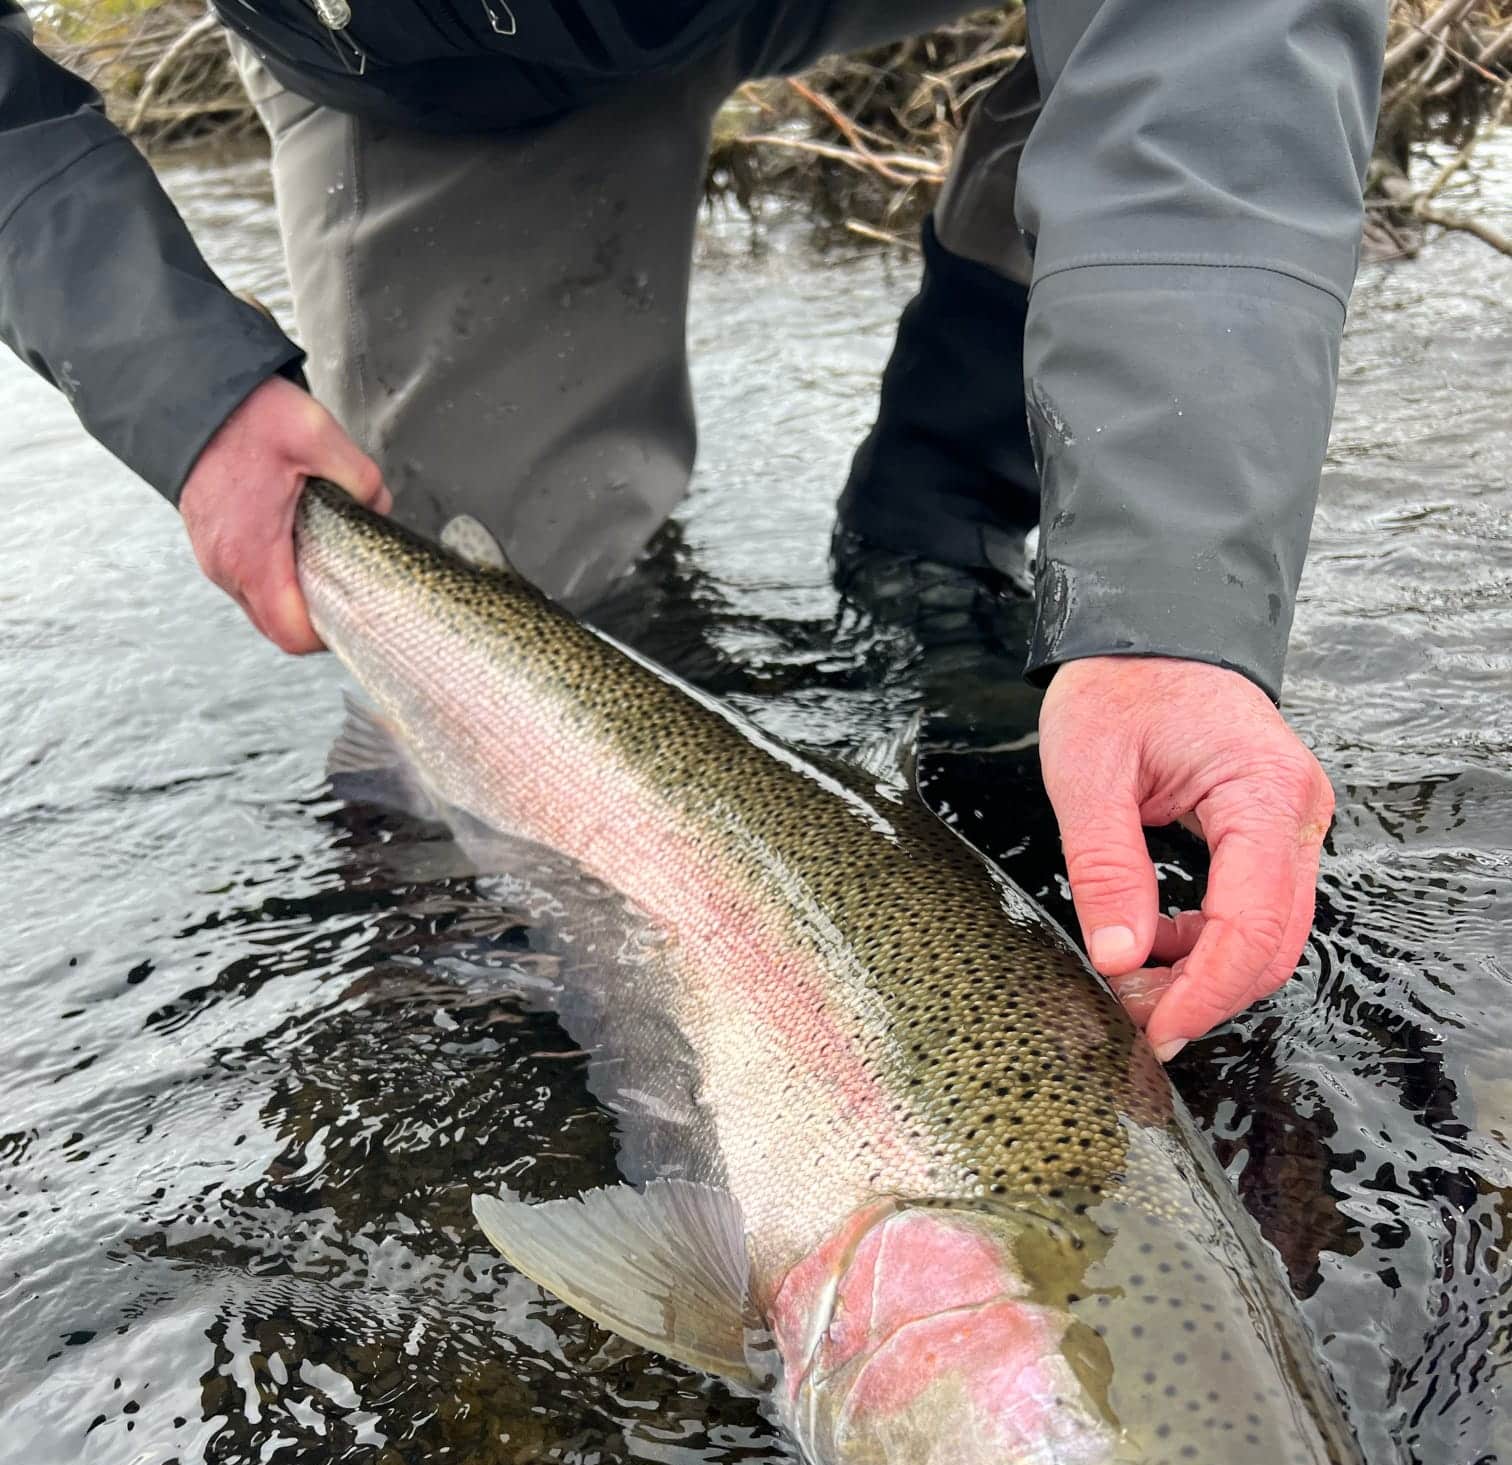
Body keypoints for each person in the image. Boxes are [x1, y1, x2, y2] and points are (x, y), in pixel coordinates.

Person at [1, 0, 1369, 1061]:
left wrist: (1172, 618)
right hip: (435, 59)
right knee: (492, 648)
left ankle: (947, 513)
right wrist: (189, 397)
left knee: (1161, 95)